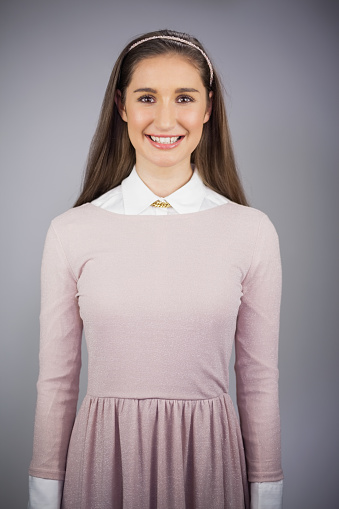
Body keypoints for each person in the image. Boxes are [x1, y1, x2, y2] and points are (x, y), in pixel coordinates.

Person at [28, 29, 284, 509]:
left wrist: (267, 495)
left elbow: (259, 378)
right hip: (105, 459)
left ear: (208, 108)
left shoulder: (251, 231)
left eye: (183, 97)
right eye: (147, 97)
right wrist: (42, 498)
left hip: (208, 461)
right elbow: (57, 382)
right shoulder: (71, 232)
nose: (165, 119)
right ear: (122, 106)